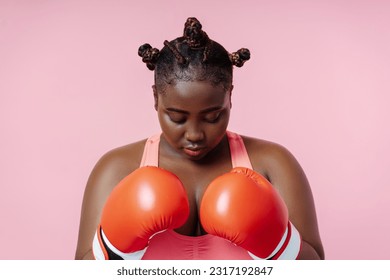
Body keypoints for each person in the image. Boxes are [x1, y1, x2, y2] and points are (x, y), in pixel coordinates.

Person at [74, 17, 324, 260]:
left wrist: (277, 244)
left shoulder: (273, 164)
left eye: (213, 116)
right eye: (177, 117)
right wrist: (114, 246)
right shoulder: (117, 169)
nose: (195, 135)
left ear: (230, 97)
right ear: (156, 99)